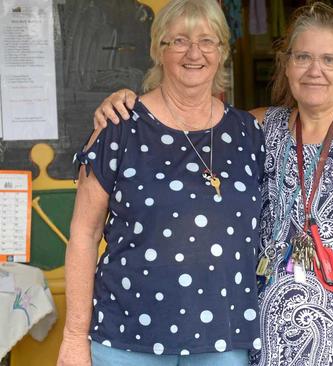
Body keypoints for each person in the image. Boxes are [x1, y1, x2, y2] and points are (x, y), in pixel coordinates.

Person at [93, 3, 333, 365]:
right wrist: (126, 105)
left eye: (329, 60)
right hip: (266, 336)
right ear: (286, 65)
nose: (315, 71)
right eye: (303, 57)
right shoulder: (257, 128)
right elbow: (189, 122)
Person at [57, 1, 264, 365]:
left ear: (222, 52)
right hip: (128, 339)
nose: (194, 53)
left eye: (207, 40)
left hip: (224, 339)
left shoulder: (248, 132)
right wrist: (74, 338)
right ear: (158, 49)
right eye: (179, 41)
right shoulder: (119, 126)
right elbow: (84, 235)